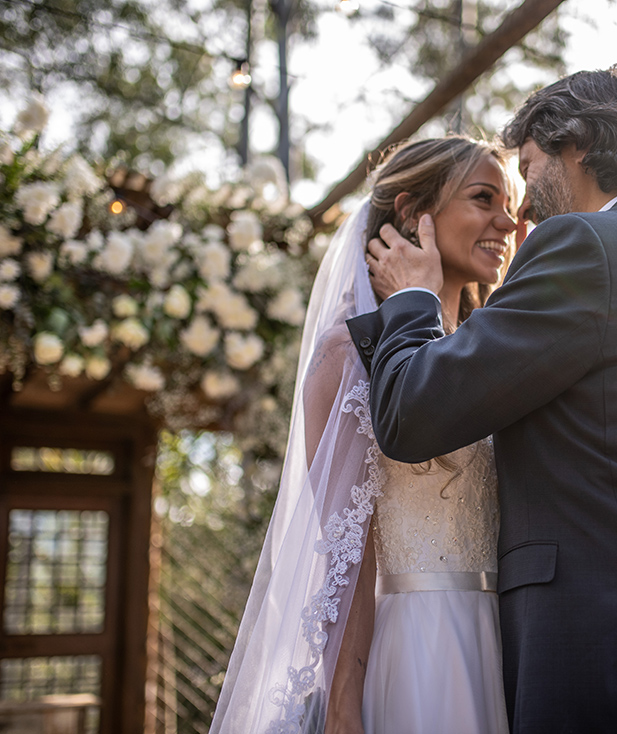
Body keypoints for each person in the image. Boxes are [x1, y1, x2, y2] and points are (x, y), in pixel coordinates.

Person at [348, 66, 617, 733]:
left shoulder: (585, 244)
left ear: (574, 142)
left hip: (616, 675)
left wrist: (410, 299)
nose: (520, 213)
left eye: (528, 165)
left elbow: (410, 415)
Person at [207, 136, 518, 734]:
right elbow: (345, 557)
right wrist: (344, 704)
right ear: (411, 213)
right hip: (423, 650)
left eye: (510, 203)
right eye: (484, 199)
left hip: (511, 643)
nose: (507, 221)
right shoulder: (347, 360)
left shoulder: (490, 350)